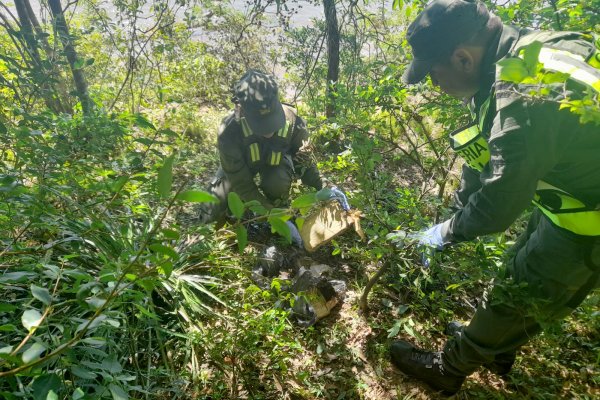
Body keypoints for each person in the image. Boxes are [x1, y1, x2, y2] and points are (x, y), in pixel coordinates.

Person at [390, 0, 600, 395]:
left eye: (434, 73)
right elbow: (487, 150)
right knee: (519, 270)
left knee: (518, 291)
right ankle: (496, 346)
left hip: (589, 221)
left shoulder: (525, 90)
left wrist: (447, 231)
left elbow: (500, 202)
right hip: (571, 197)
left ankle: (449, 367)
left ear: (462, 58)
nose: (434, 85)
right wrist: (456, 207)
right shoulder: (520, 56)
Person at [199, 70, 324, 229]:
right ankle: (242, 212)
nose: (268, 131)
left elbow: (305, 163)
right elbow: (240, 180)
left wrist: (326, 186)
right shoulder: (228, 132)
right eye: (260, 123)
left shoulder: (294, 121)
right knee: (212, 211)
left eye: (271, 121)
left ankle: (277, 205)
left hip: (275, 164)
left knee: (277, 183)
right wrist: (268, 212)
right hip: (242, 168)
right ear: (241, 109)